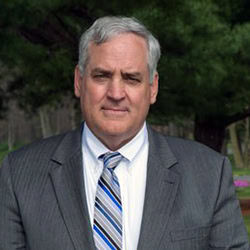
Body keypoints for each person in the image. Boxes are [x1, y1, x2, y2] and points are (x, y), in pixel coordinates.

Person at [0, 16, 249, 250]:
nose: (116, 93)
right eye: (101, 76)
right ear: (78, 81)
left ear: (152, 88)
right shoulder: (19, 175)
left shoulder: (209, 175)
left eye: (131, 78)